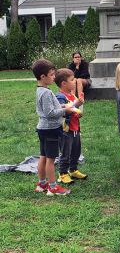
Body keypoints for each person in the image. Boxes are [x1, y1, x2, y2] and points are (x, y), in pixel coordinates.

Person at [32, 59, 74, 196]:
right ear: (43, 77)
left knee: (43, 156)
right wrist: (65, 111)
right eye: (51, 75)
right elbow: (50, 113)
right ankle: (52, 187)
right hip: (50, 129)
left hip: (43, 128)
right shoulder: (46, 93)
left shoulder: (41, 90)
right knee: (50, 159)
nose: (54, 77)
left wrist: (62, 106)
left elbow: (50, 108)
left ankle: (42, 184)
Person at [55, 68, 88, 185]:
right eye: (72, 80)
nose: (74, 81)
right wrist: (75, 105)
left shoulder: (71, 95)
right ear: (64, 83)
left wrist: (79, 107)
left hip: (75, 128)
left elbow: (75, 110)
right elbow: (62, 110)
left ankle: (73, 170)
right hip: (65, 130)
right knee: (65, 152)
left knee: (76, 151)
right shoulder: (60, 97)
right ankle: (63, 173)